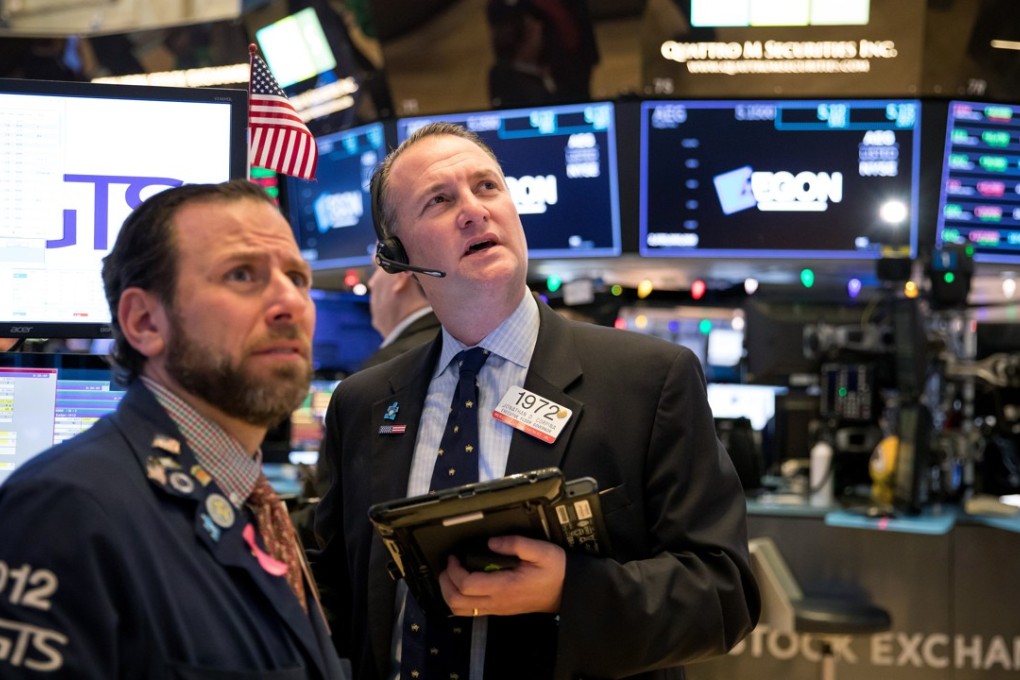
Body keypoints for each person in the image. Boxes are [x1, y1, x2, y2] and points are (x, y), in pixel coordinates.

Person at [312, 123, 760, 679]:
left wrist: (572, 589)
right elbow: (329, 585)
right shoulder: (364, 402)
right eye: (440, 200)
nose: (474, 210)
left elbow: (725, 592)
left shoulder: (648, 381)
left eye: (487, 187)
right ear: (399, 258)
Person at [0, 180, 349, 679]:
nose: (290, 303)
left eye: (297, 277)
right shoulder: (64, 508)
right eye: (242, 274)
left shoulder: (254, 505)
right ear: (144, 321)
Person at [361, 264, 441, 370]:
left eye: (375, 269)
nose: (371, 283)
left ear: (400, 274)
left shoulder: (388, 366)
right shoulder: (455, 341)